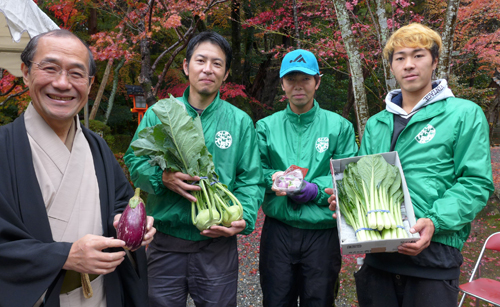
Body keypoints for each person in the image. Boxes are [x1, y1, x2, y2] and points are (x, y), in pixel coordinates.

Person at [327, 23, 494, 307]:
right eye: (400, 57)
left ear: (435, 61)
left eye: (418, 55)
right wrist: (344, 203)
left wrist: (434, 222)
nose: (408, 65)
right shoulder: (377, 123)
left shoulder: (463, 114)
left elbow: (475, 183)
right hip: (378, 258)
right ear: (391, 66)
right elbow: (362, 179)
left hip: (434, 259)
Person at [0, 29, 155, 307]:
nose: (62, 83)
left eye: (76, 73)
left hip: (100, 295)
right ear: (25, 72)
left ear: (89, 82)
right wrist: (65, 256)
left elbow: (120, 203)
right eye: (50, 68)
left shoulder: (97, 147)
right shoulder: (3, 148)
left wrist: (131, 225)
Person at [124, 31, 264, 307]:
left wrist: (244, 218)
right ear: (187, 66)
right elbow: (134, 162)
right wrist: (162, 177)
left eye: (217, 63)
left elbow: (251, 180)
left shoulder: (240, 122)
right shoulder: (160, 113)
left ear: (226, 74)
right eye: (201, 60)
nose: (208, 69)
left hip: (217, 247)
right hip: (165, 244)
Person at [256, 49, 358, 307]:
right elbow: (254, 170)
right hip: (278, 229)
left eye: (306, 79)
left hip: (322, 233)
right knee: (276, 300)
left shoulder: (339, 127)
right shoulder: (266, 127)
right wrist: (274, 177)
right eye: (291, 79)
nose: (298, 86)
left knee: (320, 301)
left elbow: (348, 176)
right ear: (282, 83)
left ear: (317, 82)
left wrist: (314, 189)